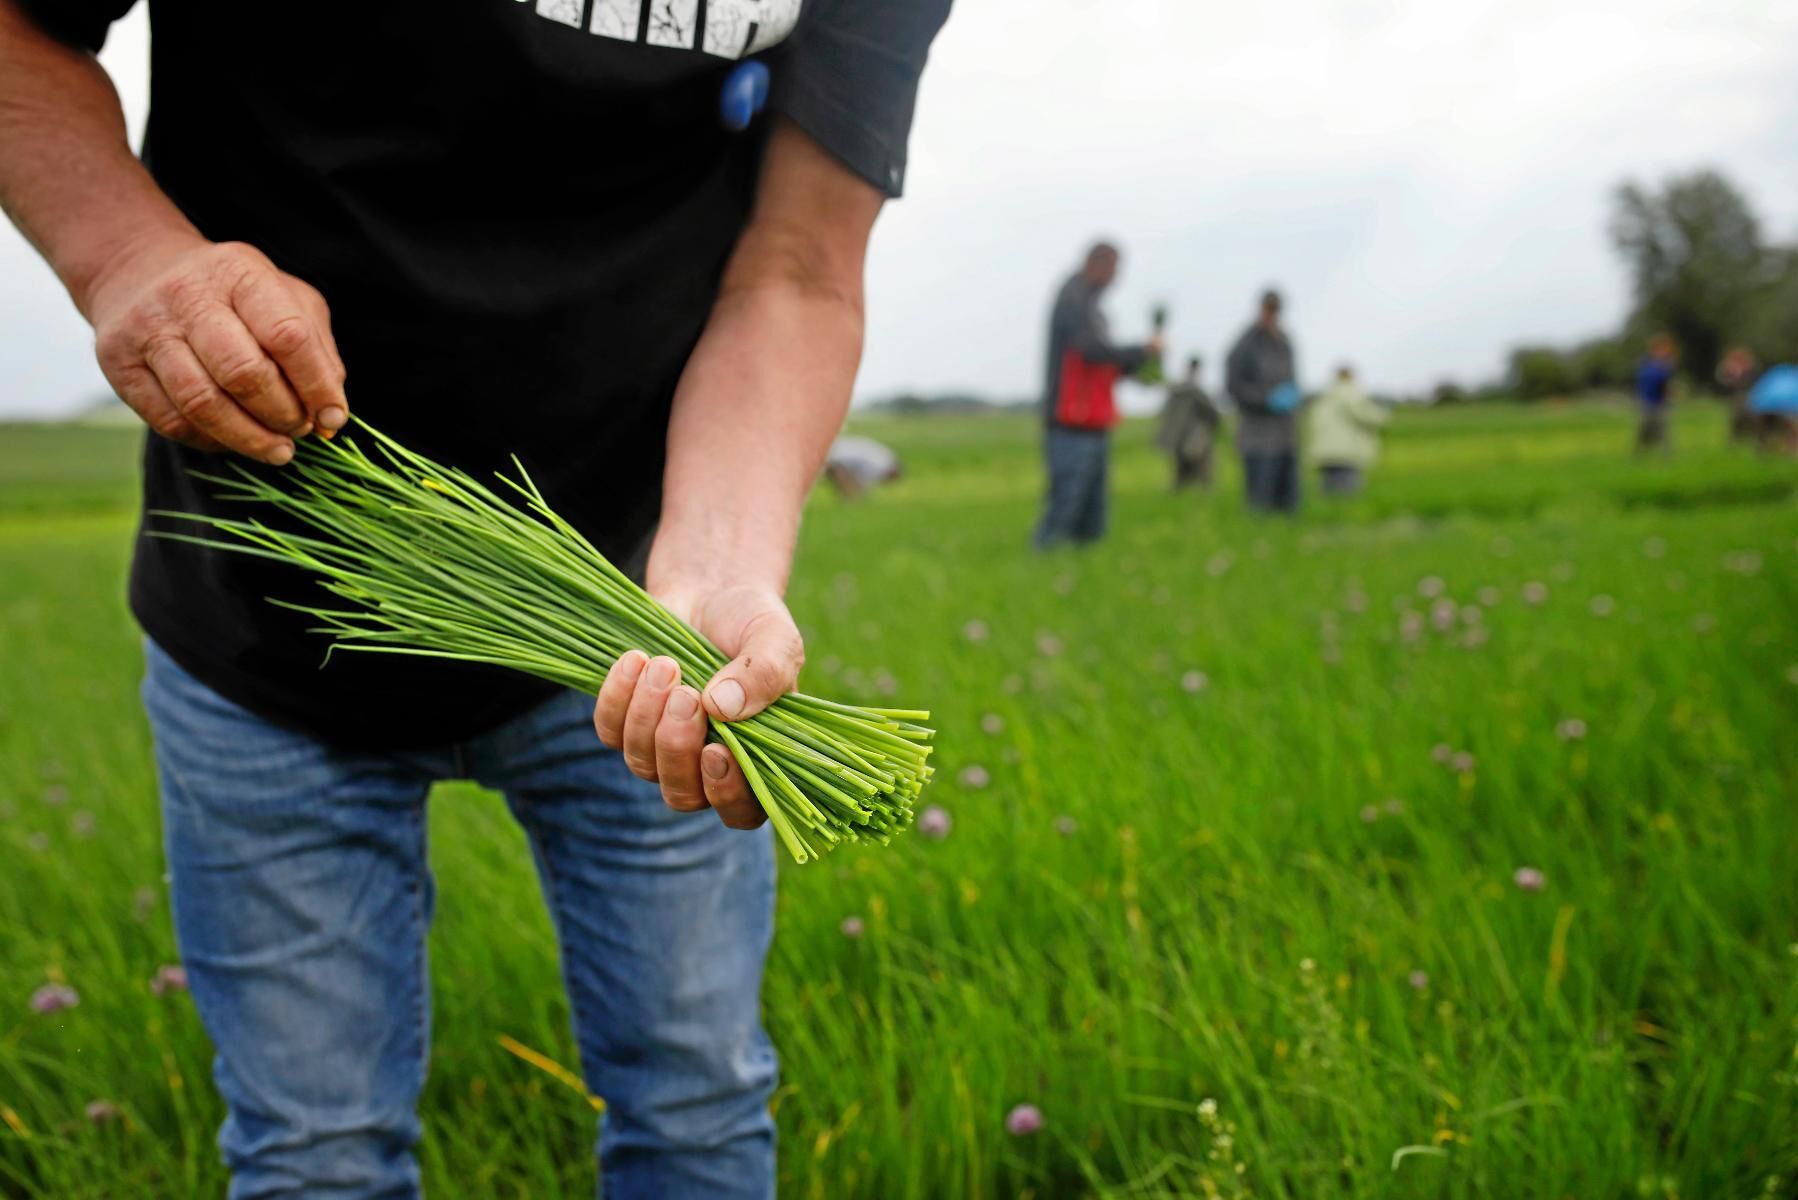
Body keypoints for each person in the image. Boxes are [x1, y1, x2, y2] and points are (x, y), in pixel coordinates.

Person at [0, 0, 949, 1195]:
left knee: (696, 1106)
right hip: (266, 598)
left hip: (634, 625)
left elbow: (802, 267)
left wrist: (716, 572)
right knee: (315, 1155)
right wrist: (127, 256)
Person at [1032, 242, 1161, 548]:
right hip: (1070, 421)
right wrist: (1140, 351)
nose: (1115, 278)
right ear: (1095, 264)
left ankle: (1079, 573)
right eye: (1113, 270)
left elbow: (1105, 363)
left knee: (1091, 513)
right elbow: (1091, 351)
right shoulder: (1073, 299)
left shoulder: (1094, 308)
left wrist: (1137, 364)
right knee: (1065, 506)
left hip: (1093, 420)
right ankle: (1047, 565)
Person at [1225, 288, 1302, 514]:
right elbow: (1233, 386)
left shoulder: (1285, 341)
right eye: (1269, 309)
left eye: (1276, 310)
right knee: (1261, 502)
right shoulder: (1246, 344)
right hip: (1257, 436)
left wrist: (1292, 394)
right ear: (1261, 308)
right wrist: (1266, 400)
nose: (1272, 315)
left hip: (1285, 434)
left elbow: (1292, 378)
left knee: (1288, 504)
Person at [1307, 364, 1389, 496]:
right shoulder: (1350, 394)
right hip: (1345, 452)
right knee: (1348, 492)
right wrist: (1384, 413)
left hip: (1325, 451)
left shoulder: (1324, 397)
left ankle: (1327, 515)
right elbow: (1366, 415)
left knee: (1328, 491)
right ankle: (1345, 514)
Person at [1155, 355, 1222, 490]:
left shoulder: (1176, 389)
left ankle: (1180, 494)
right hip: (1195, 434)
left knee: (1181, 467)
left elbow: (1167, 410)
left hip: (1178, 434)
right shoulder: (1195, 389)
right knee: (1203, 466)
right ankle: (1202, 494)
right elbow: (1210, 410)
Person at [1634, 333, 1677, 454]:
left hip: (1660, 402)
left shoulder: (1666, 365)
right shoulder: (1646, 364)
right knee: (1645, 428)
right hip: (1646, 400)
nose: (1665, 352)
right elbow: (1645, 380)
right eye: (1662, 349)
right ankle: (1640, 451)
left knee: (1663, 428)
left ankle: (1666, 453)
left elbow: (1666, 384)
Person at [823, 433, 901, 499]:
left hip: (838, 451)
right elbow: (861, 480)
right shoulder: (880, 466)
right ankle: (850, 502)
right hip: (837, 456)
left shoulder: (886, 458)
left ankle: (848, 501)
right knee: (852, 488)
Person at [1717, 346, 1760, 445]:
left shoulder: (1750, 367)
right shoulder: (1730, 366)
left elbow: (1754, 379)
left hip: (1749, 394)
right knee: (1737, 418)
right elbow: (1722, 379)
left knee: (1750, 417)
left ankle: (1749, 437)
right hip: (1737, 396)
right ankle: (1737, 439)